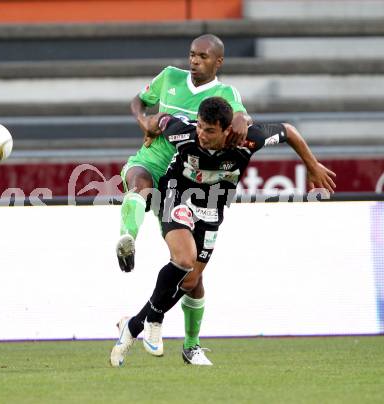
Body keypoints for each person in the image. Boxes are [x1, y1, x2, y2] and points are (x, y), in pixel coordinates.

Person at [110, 97, 336, 367]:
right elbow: (161, 120)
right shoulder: (183, 131)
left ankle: (134, 325)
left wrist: (312, 166)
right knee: (184, 259)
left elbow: (289, 131)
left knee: (191, 282)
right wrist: (149, 124)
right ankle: (154, 321)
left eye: (209, 130)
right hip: (176, 196)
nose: (202, 135)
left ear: (227, 130)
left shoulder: (249, 139)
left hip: (212, 207)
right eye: (201, 127)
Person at [116, 34, 251, 364]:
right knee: (139, 185)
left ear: (218, 62)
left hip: (190, 182)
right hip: (155, 162)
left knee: (191, 277)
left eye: (202, 56)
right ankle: (127, 240)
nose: (194, 61)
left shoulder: (227, 95)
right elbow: (138, 102)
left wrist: (241, 120)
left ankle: (186, 342)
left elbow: (244, 121)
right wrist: (143, 121)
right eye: (192, 54)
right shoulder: (169, 77)